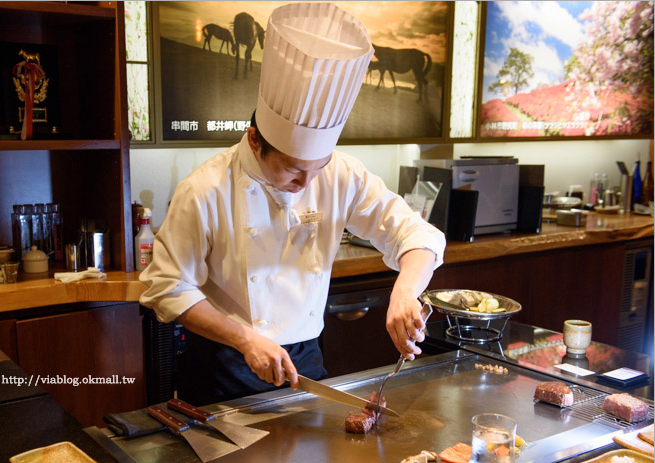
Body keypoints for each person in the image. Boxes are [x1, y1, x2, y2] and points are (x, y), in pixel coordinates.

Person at [140, 3, 446, 406]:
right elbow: (167, 287)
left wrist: (405, 292)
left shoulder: (341, 173)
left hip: (304, 362)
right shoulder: (205, 189)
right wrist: (245, 338)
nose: (307, 183)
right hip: (222, 368)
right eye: (292, 171)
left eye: (319, 168)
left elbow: (418, 234)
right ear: (255, 141)